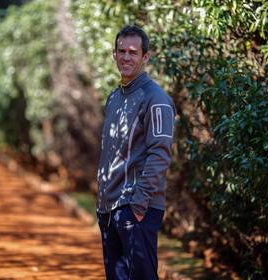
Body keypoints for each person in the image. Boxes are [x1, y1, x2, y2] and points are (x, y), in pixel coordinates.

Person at [96, 25, 176, 280]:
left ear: (145, 57)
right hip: (109, 210)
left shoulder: (156, 98)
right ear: (114, 54)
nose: (126, 57)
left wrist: (138, 205)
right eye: (121, 51)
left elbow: (160, 154)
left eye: (133, 52)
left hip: (136, 208)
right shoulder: (114, 98)